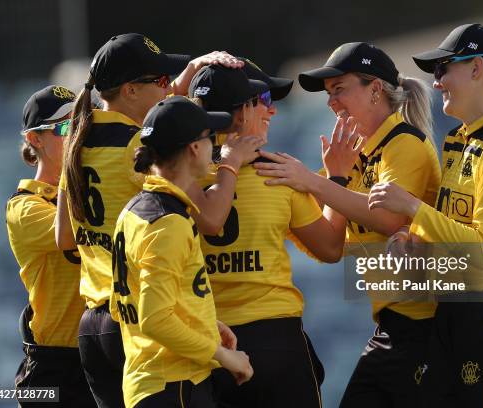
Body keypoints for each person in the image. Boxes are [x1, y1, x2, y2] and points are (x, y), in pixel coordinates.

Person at [57, 33, 261, 407]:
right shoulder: (136, 148)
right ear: (130, 91)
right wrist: (230, 162)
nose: (170, 88)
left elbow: (65, 238)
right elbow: (212, 218)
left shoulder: (79, 140)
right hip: (134, 324)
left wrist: (183, 83)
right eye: (162, 82)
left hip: (92, 324)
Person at [253, 42, 441, 407]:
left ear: (375, 90)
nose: (331, 103)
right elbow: (332, 244)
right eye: (328, 94)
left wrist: (313, 181)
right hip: (393, 323)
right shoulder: (356, 154)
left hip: (427, 325)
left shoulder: (405, 145)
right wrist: (335, 178)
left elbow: (389, 219)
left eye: (339, 90)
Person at [368, 23, 483, 407]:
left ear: (476, 68)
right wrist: (412, 238)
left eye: (443, 68)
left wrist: (414, 208)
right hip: (454, 310)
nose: (436, 81)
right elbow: (453, 227)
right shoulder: (458, 139)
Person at [188, 64, 347, 408]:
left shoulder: (177, 176)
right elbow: (331, 248)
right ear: (240, 111)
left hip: (204, 343)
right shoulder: (278, 173)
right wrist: (337, 181)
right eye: (262, 99)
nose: (272, 109)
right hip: (275, 341)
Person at [109, 96, 253, 408]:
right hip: (172, 387)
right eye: (209, 138)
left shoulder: (135, 209)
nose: (213, 145)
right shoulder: (167, 222)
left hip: (154, 383)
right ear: (194, 149)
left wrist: (204, 324)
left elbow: (124, 303)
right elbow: (155, 319)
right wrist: (225, 356)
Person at [6, 85, 95, 407]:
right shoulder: (24, 207)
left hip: (104, 352)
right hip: (55, 365)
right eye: (65, 128)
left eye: (83, 124)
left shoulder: (97, 186)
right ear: (34, 139)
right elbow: (68, 232)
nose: (78, 135)